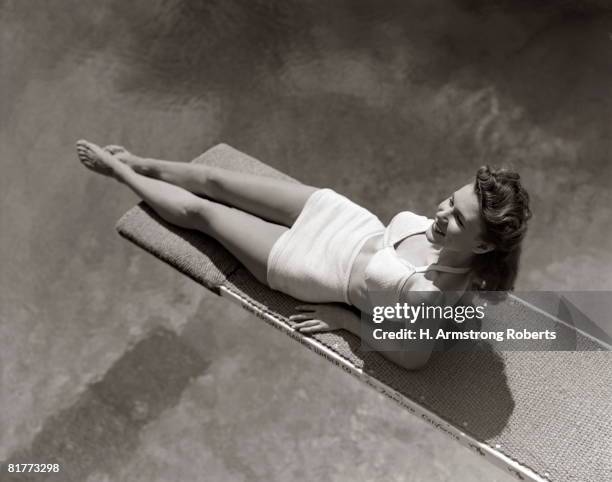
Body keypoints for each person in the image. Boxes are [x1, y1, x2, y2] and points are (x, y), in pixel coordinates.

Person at [76, 140, 532, 369]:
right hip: (344, 219)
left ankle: (118, 171)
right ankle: (142, 162)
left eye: (456, 218)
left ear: (482, 244)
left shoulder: (434, 293)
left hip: (310, 265)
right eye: (450, 200)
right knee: (218, 180)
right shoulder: (456, 244)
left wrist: (350, 323)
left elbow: (414, 357)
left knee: (203, 213)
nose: (441, 213)